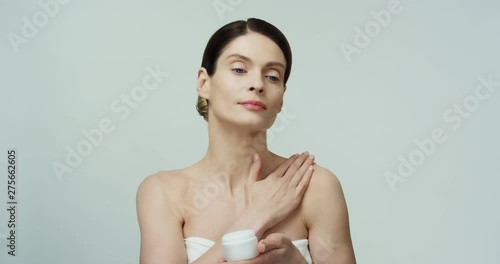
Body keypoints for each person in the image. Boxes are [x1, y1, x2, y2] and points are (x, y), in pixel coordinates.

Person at [136, 18, 356, 264]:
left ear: (282, 97)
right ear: (203, 82)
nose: (257, 84)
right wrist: (253, 219)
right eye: (239, 69)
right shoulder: (163, 192)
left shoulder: (315, 187)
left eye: (272, 76)